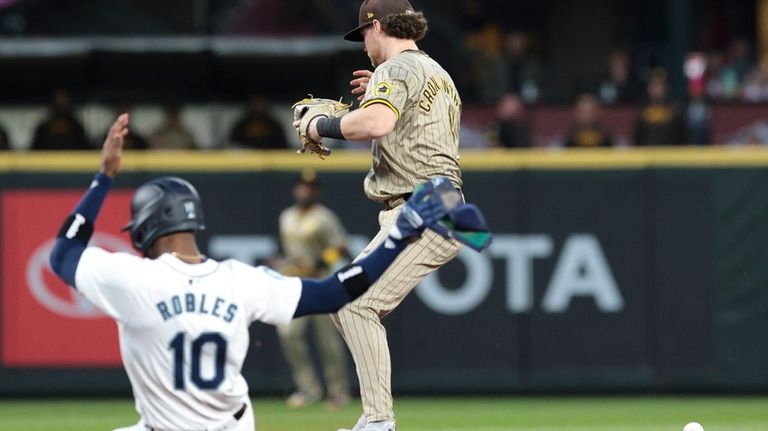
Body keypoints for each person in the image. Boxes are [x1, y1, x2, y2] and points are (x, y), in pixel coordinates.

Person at [49, 114, 464, 431]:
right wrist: (397, 238)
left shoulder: (131, 280)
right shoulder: (239, 280)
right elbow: (337, 292)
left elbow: (63, 252)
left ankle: (329, 390)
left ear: (146, 228)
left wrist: (104, 176)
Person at [295, 1, 464, 429]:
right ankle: (377, 420)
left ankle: (378, 421)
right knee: (346, 300)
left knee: (353, 304)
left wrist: (320, 126)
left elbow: (373, 125)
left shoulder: (396, 70)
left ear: (376, 27)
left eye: (364, 36)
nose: (364, 47)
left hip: (421, 206)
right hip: (435, 204)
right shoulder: (437, 73)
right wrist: (379, 93)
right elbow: (402, 119)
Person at [274, 170, 351, 409]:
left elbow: (340, 246)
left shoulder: (323, 217)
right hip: (295, 284)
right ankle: (308, 388)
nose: (304, 191)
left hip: (322, 282)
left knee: (328, 340)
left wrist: (319, 262)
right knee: (289, 334)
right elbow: (288, 251)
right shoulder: (286, 216)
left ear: (316, 191)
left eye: (309, 187)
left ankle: (338, 391)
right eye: (301, 186)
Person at [632, 69, 689, 146]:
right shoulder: (643, 112)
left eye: (660, 85)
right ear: (648, 88)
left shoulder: (675, 111)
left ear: (666, 88)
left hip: (671, 155)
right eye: (654, 85)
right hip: (648, 155)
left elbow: (684, 138)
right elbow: (637, 140)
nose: (656, 89)